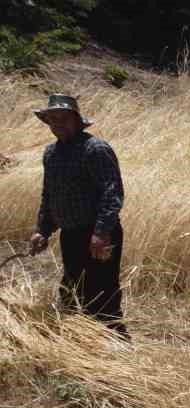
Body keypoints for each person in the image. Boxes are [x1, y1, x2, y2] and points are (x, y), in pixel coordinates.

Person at [28, 94, 127, 337]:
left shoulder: (95, 149)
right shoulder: (51, 153)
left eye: (63, 118)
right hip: (71, 234)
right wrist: (42, 230)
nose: (58, 124)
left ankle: (114, 343)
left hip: (98, 234)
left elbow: (112, 192)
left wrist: (101, 232)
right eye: (52, 119)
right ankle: (79, 342)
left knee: (102, 291)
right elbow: (49, 195)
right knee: (72, 288)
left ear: (77, 120)